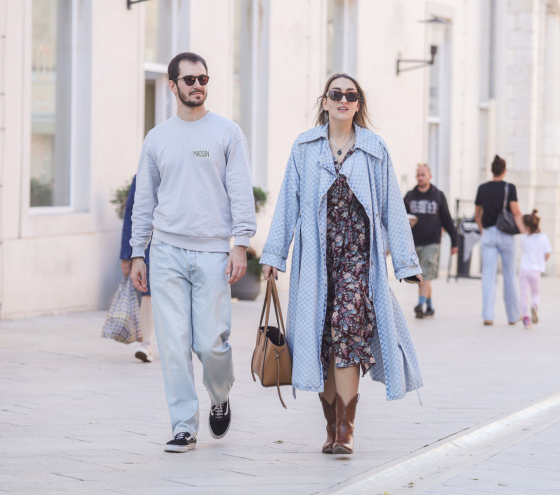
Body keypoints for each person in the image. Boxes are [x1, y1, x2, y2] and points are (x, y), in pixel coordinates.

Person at [260, 73, 423, 455]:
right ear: (325, 101)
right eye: (337, 94)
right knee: (322, 343)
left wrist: (405, 263)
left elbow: (391, 208)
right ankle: (331, 425)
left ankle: (346, 429)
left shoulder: (374, 149)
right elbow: (287, 203)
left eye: (351, 95)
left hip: (357, 262)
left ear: (359, 103)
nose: (343, 100)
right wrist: (273, 256)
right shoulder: (305, 147)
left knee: (348, 334)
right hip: (316, 262)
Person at [129, 52, 256, 453]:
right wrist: (138, 252)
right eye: (189, 80)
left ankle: (220, 396)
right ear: (172, 86)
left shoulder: (227, 132)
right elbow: (144, 199)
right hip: (166, 251)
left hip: (213, 254)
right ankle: (184, 425)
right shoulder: (157, 138)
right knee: (172, 343)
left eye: (203, 78)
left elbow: (240, 193)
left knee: (211, 343)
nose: (198, 85)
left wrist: (240, 245)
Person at [474, 155, 525, 326]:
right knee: (509, 275)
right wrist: (525, 231)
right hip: (506, 235)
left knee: (488, 276)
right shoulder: (509, 188)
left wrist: (483, 230)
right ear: (504, 171)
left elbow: (477, 214)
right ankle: (513, 316)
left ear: (492, 170)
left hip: (488, 233)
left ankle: (488, 315)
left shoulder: (482, 188)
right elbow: (516, 212)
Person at [404, 164, 458, 319]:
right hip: (414, 243)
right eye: (418, 175)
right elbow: (400, 217)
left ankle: (420, 304)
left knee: (426, 275)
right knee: (422, 276)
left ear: (429, 176)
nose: (420, 178)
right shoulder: (410, 196)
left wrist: (455, 241)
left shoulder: (438, 195)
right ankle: (430, 307)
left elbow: (447, 219)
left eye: (423, 175)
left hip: (432, 242)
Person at [120, 175, 155, 362]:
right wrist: (127, 255)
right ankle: (146, 344)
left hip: (179, 244)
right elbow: (131, 213)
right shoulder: (143, 175)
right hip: (148, 245)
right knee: (147, 292)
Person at [518, 210, 552, 329]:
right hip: (535, 270)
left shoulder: (524, 238)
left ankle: (526, 318)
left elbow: (523, 249)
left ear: (527, 227)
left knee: (524, 294)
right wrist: (542, 260)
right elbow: (548, 254)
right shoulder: (543, 238)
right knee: (536, 293)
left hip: (523, 269)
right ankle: (535, 305)